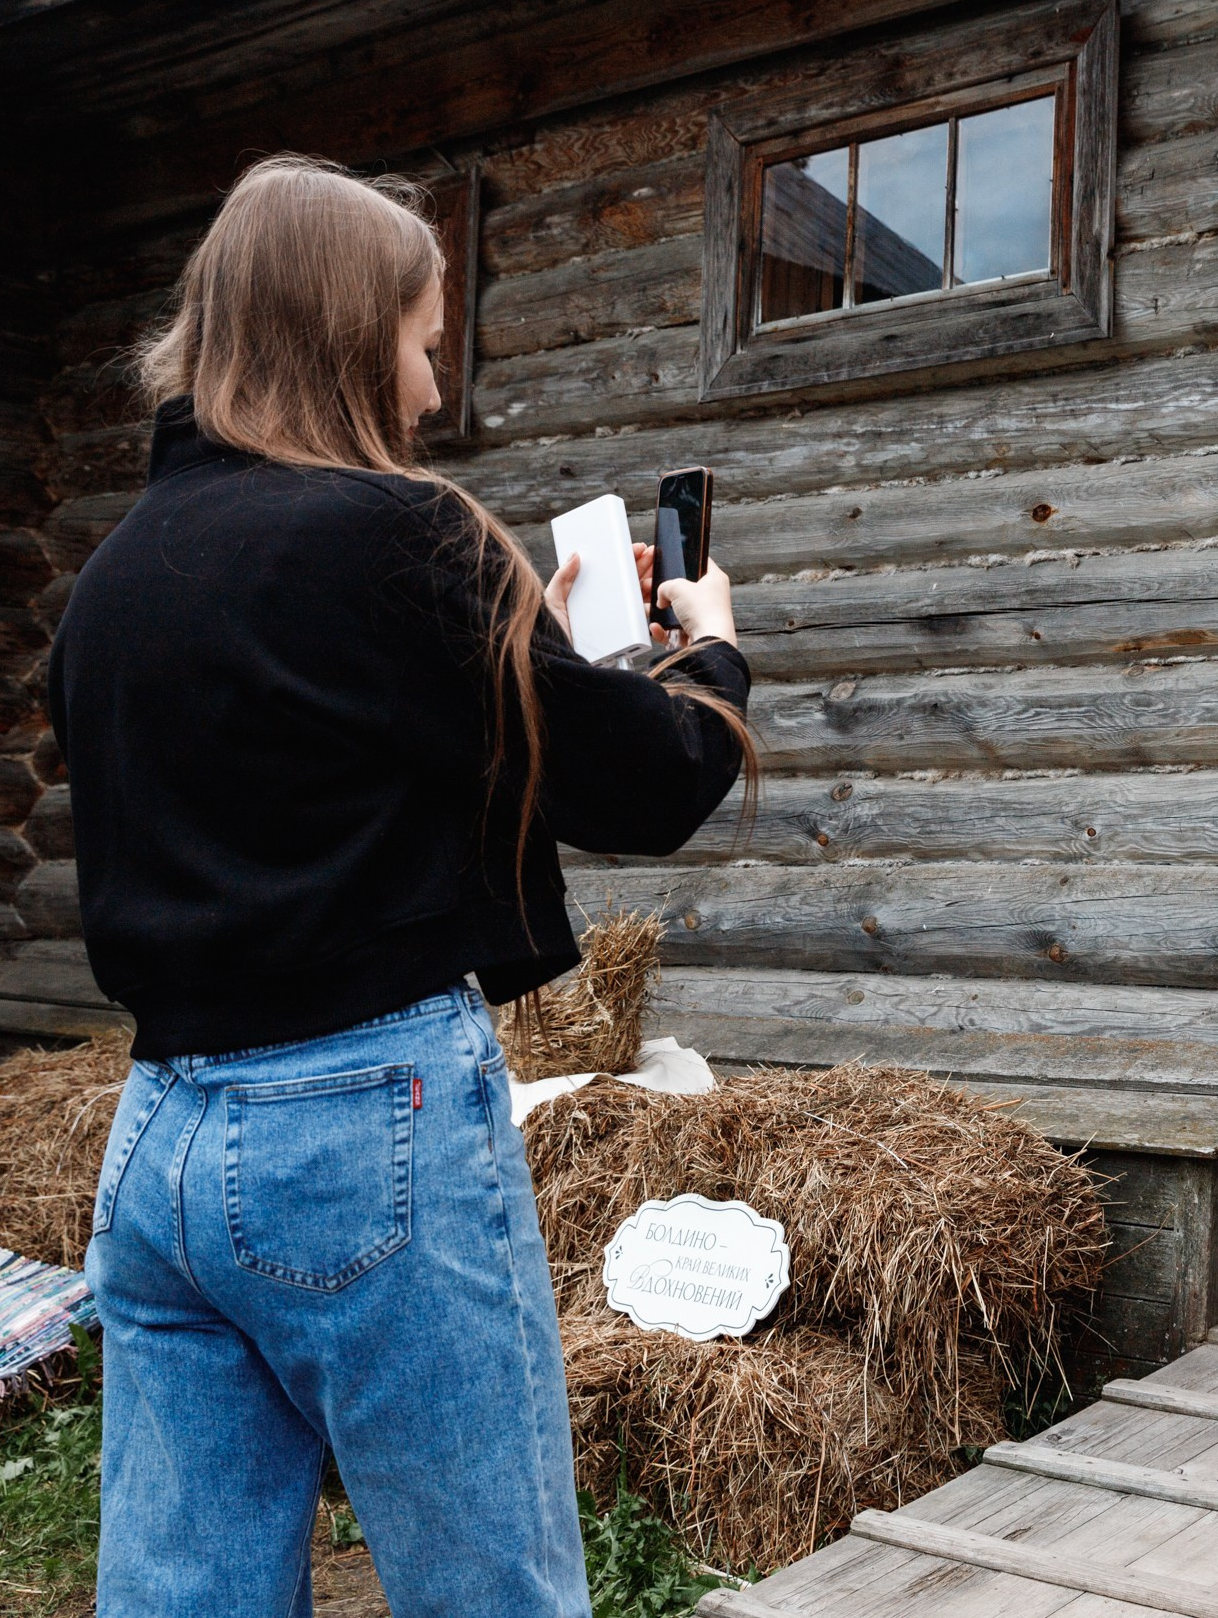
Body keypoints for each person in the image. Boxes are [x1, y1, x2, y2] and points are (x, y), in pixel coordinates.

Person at [49, 156, 754, 1615]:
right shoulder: (400, 534)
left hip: (161, 1136)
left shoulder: (115, 576)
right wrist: (704, 651)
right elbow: (651, 780)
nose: (432, 391)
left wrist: (523, 646)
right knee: (489, 1590)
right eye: (426, 344)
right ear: (347, 335)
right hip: (363, 1126)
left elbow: (320, 762)